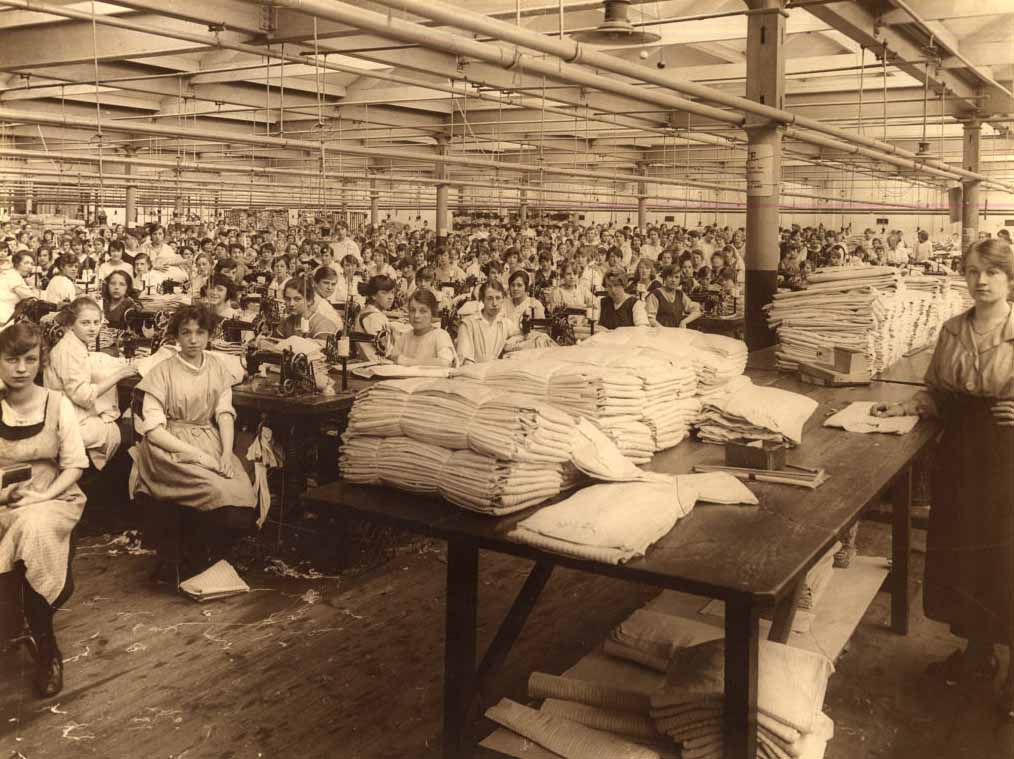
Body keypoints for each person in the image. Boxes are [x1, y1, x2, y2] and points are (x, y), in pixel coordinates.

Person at [871, 237, 1014, 718]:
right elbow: (939, 394)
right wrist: (908, 405)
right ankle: (977, 655)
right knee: (964, 560)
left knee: (1006, 560)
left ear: (1009, 277)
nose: (981, 280)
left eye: (992, 272)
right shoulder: (952, 330)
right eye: (973, 271)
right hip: (960, 457)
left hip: (1009, 458)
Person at [131, 304, 257, 582]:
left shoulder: (216, 367)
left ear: (209, 335)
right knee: (216, 490)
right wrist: (201, 458)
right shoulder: (162, 371)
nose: (193, 339)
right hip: (169, 448)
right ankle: (192, 562)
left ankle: (203, 557)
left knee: (240, 492)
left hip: (209, 440)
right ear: (176, 336)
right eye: (185, 333)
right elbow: (153, 431)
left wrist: (225, 453)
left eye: (200, 332)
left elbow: (224, 413)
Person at [0, 322, 89, 697]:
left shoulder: (57, 403)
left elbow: (75, 464)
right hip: (3, 501)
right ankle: (8, 626)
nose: (21, 368)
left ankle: (47, 649)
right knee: (20, 524)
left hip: (52, 498)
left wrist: (44, 494)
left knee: (33, 528)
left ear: (40, 362)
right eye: (11, 360)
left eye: (29, 359)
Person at [44, 297, 137, 470]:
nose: (93, 328)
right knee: (122, 432)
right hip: (68, 420)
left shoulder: (74, 343)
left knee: (113, 420)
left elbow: (83, 363)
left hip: (68, 411)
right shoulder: (69, 349)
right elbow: (84, 396)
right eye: (85, 323)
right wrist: (119, 374)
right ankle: (109, 479)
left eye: (96, 322)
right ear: (71, 324)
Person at [456, 279, 521, 364]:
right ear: (482, 300)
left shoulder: (504, 323)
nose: (494, 303)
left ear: (503, 300)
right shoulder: (468, 324)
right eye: (490, 298)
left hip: (495, 371)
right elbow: (464, 358)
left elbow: (521, 335)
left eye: (498, 298)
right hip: (472, 372)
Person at [388, 289, 456, 367]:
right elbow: (394, 358)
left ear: (432, 313)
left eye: (423, 311)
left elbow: (445, 363)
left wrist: (408, 361)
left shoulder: (440, 335)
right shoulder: (405, 337)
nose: (416, 316)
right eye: (412, 310)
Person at [276, 276, 340, 339]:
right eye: (288, 299)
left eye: (297, 299)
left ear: (309, 300)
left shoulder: (322, 325)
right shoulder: (287, 322)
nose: (291, 303)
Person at [355, 275, 397, 360]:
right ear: (373, 295)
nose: (390, 297)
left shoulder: (374, 313)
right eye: (384, 293)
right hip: (375, 365)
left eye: (392, 292)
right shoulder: (372, 317)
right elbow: (388, 353)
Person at [0, 252, 38, 325]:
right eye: (26, 263)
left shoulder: (9, 273)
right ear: (17, 263)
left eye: (32, 264)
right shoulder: (15, 277)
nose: (30, 266)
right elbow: (30, 298)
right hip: (4, 315)